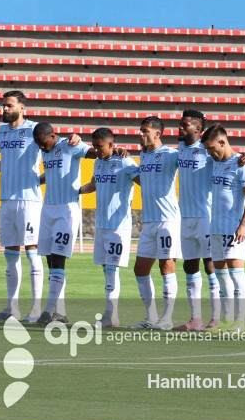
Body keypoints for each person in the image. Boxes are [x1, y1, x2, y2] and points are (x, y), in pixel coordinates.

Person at [0, 91, 43, 322]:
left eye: (9, 106)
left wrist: (75, 138)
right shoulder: (2, 130)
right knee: (10, 256)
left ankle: (36, 309)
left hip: (29, 200)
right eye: (3, 106)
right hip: (6, 199)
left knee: (33, 254)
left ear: (22, 107)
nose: (5, 109)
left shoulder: (35, 129)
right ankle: (12, 307)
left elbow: (57, 146)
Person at [32, 122, 92, 325]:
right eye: (38, 145)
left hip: (66, 210)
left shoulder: (70, 145)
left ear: (52, 136)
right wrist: (36, 179)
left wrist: (80, 139)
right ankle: (61, 312)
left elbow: (93, 152)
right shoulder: (46, 151)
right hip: (47, 209)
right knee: (51, 263)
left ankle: (47, 311)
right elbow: (51, 174)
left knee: (58, 260)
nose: (42, 148)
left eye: (43, 144)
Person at [79, 127, 138, 327]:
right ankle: (110, 315)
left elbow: (143, 182)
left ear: (112, 145)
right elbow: (94, 184)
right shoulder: (98, 162)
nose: (96, 150)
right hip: (101, 225)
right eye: (94, 146)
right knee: (107, 270)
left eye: (99, 146)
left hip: (118, 226)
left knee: (112, 270)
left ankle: (110, 315)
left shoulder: (125, 162)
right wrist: (76, 191)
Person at [202, 123, 245, 334]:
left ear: (222, 142)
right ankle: (226, 321)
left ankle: (240, 322)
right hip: (216, 227)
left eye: (211, 148)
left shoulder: (242, 164)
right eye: (207, 149)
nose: (209, 152)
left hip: (234, 229)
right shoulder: (214, 162)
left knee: (237, 273)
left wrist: (244, 224)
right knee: (221, 274)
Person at [128, 116, 181, 331]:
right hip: (149, 221)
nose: (140, 134)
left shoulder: (171, 155)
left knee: (166, 267)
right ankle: (151, 317)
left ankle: (166, 319)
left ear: (157, 134)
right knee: (140, 269)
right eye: (140, 130)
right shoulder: (143, 155)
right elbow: (143, 179)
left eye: (144, 131)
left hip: (168, 221)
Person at [174, 109, 222, 332]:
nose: (180, 128)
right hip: (185, 218)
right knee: (190, 266)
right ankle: (195, 319)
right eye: (180, 124)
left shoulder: (207, 152)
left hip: (206, 217)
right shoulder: (181, 147)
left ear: (198, 129)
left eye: (185, 125)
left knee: (210, 265)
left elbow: (229, 154)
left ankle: (217, 317)